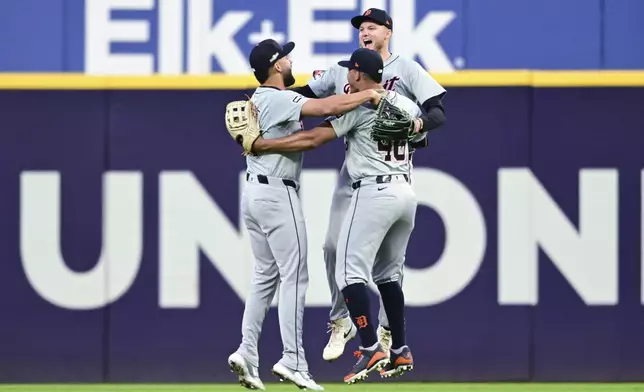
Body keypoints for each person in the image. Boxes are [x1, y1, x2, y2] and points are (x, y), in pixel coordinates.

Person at [250, 47, 424, 384]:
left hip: (373, 190)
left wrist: (261, 145)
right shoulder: (406, 104)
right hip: (406, 191)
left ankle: (371, 346)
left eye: (350, 71)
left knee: (347, 274)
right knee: (388, 276)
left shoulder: (358, 106)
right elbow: (422, 135)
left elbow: (314, 137)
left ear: (358, 75)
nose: (346, 75)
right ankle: (400, 349)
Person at [289, 7, 447, 364]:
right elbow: (304, 93)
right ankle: (343, 323)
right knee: (333, 247)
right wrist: (272, 92)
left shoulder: (404, 70)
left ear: (387, 32)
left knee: (366, 266)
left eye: (372, 26)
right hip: (358, 170)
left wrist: (418, 127)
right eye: (361, 27)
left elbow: (437, 111)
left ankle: (380, 337)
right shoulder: (345, 71)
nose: (364, 31)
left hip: (385, 173)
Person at [226, 38, 384, 391]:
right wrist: (367, 95)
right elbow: (325, 106)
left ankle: (247, 352)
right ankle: (293, 360)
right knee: (294, 277)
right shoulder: (279, 98)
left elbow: (305, 138)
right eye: (285, 56)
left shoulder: (259, 100)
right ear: (276, 65)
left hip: (253, 191)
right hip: (277, 193)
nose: (290, 59)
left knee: (264, 276)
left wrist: (263, 144)